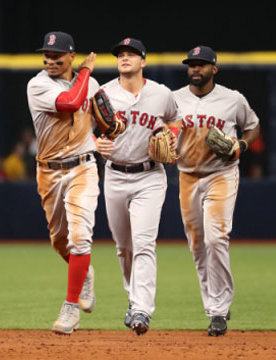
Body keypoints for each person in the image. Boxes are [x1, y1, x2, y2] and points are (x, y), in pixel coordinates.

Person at [172, 45, 260, 336]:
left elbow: (253, 127)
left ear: (214, 69)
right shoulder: (174, 100)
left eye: (201, 64)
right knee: (198, 247)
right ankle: (214, 304)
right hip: (187, 176)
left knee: (215, 239)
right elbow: (162, 133)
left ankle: (218, 311)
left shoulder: (232, 99)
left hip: (220, 175)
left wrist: (241, 145)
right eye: (192, 64)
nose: (195, 69)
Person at [95, 38, 181, 336]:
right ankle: (134, 300)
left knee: (144, 243)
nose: (125, 57)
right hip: (115, 175)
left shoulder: (161, 93)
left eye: (131, 54)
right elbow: (83, 129)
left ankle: (142, 308)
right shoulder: (103, 93)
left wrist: (171, 136)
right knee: (123, 248)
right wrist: (97, 142)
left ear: (143, 62)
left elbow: (177, 120)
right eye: (120, 54)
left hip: (149, 176)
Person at [26, 31, 99, 335]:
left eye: (57, 56)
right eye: (47, 55)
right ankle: (84, 273)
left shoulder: (90, 84)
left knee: (80, 237)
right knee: (60, 241)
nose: (50, 60)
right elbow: (70, 102)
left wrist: (112, 129)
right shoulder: (37, 84)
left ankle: (70, 309)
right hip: (50, 172)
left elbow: (105, 118)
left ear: (70, 55)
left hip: (83, 167)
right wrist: (85, 70)